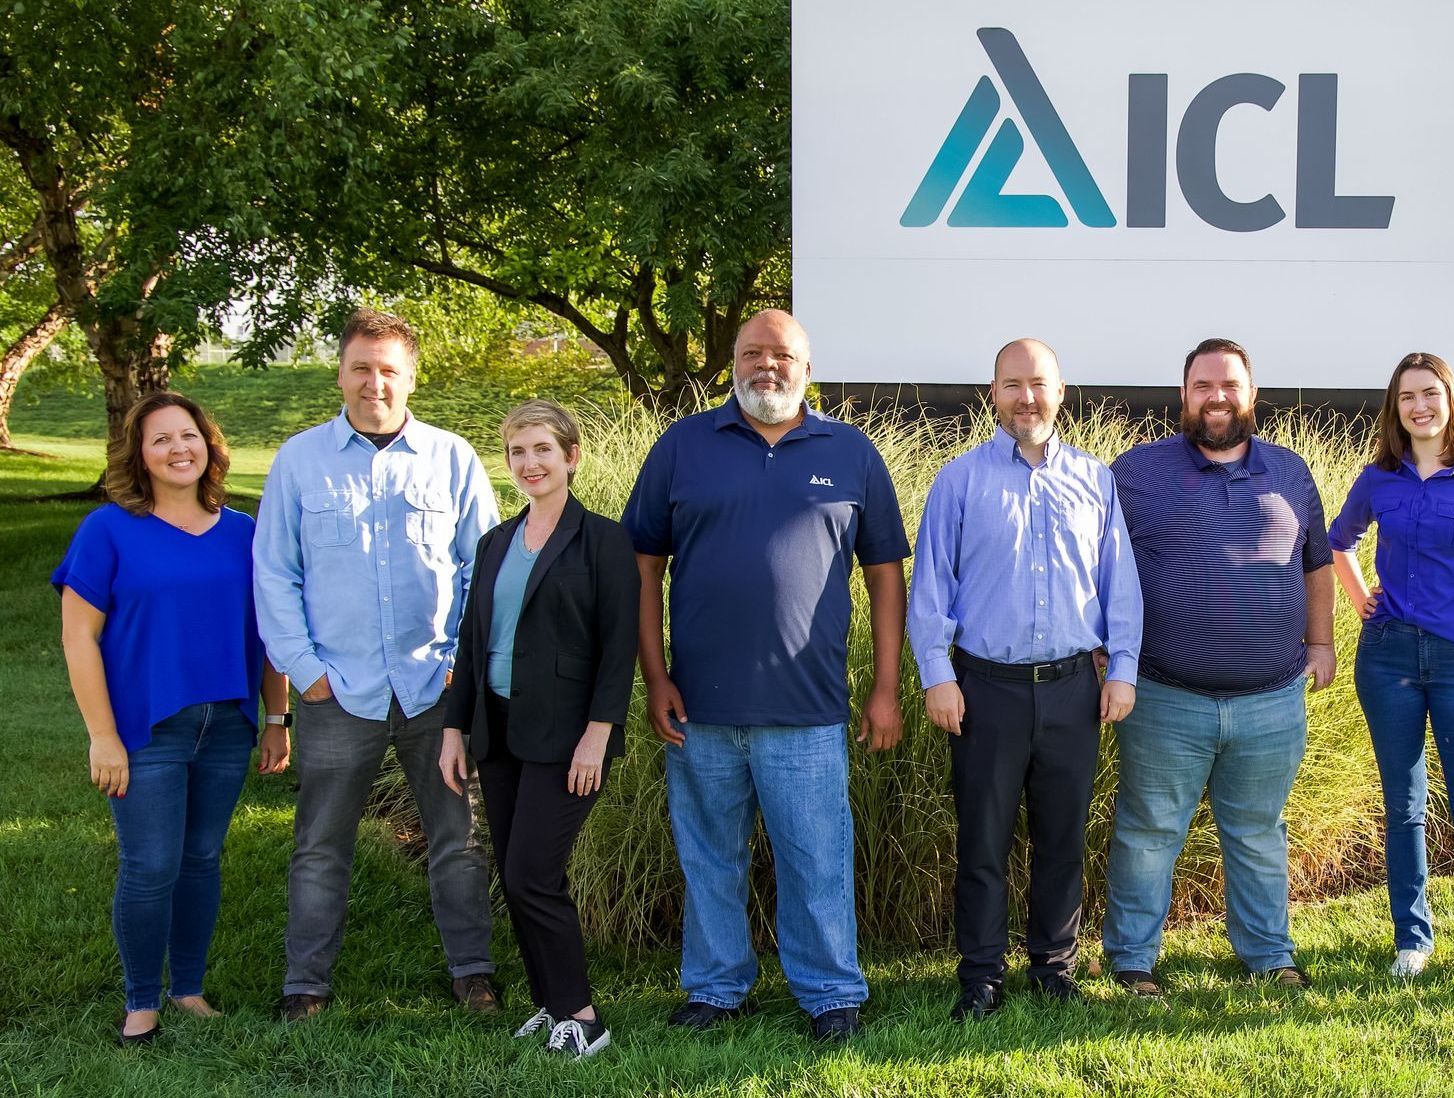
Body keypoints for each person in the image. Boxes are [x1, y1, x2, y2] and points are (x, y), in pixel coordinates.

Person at [621, 308, 909, 1042]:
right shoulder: (683, 446)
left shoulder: (849, 451)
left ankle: (830, 994)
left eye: (781, 355)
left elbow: (883, 575)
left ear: (806, 368)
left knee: (816, 858)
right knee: (709, 855)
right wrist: (654, 677)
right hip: (700, 708)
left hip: (808, 709)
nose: (766, 366)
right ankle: (717, 989)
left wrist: (883, 688)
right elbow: (642, 567)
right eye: (751, 353)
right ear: (733, 365)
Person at [254, 307, 501, 1020]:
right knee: (320, 844)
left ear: (411, 377)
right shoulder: (299, 461)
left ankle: (473, 974)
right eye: (361, 367)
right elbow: (275, 574)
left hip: (436, 687)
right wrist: (305, 669)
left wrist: (463, 659)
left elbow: (479, 569)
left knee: (457, 836)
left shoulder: (451, 458)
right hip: (337, 687)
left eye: (388, 369)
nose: (374, 383)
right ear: (340, 371)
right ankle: (305, 986)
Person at [907, 339, 1143, 1020]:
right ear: (992, 394)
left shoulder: (1095, 480)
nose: (1025, 398)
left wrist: (1120, 670)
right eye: (1011, 385)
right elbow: (931, 591)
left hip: (1073, 686)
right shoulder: (959, 480)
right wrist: (936, 677)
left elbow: (1118, 585)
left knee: (1061, 837)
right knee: (982, 839)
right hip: (983, 690)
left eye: (1037, 383)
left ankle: (1052, 967)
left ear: (1059, 391)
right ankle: (980, 977)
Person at [54, 392, 291, 1044]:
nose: (177, 449)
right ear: (140, 456)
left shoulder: (246, 532)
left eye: (187, 435)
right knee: (150, 863)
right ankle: (141, 1002)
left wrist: (278, 718)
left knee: (202, 858)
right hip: (145, 729)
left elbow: (273, 633)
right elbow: (79, 637)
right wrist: (102, 735)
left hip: (229, 725)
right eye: (160, 440)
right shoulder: (107, 530)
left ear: (209, 445)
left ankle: (187, 989)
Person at [1102, 337, 1336, 995]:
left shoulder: (1289, 471)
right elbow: (1098, 564)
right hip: (1163, 696)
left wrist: (1321, 645)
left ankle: (1269, 954)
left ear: (1250, 394)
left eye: (1228, 385)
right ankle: (1131, 960)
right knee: (1149, 831)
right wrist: (1103, 648)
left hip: (1271, 699)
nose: (1216, 397)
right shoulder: (1136, 472)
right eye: (1202, 386)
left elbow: (1315, 563)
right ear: (1184, 395)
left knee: (1258, 831)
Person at [438, 400, 639, 1059]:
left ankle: (583, 1016)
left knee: (532, 874)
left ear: (570, 457)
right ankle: (550, 1005)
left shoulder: (603, 541)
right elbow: (472, 645)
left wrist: (598, 733)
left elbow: (619, 647)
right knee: (513, 870)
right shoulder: (495, 542)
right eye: (518, 452)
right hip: (497, 731)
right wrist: (451, 730)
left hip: (568, 737)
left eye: (542, 450)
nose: (529, 463)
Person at [1328, 352, 1454, 985]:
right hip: (1387, 659)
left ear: (1451, 402)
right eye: (1408, 396)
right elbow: (1338, 540)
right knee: (1404, 805)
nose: (1420, 407)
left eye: (1431, 395)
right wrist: (1361, 602)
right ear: (1396, 408)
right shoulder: (1378, 480)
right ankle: (1412, 938)